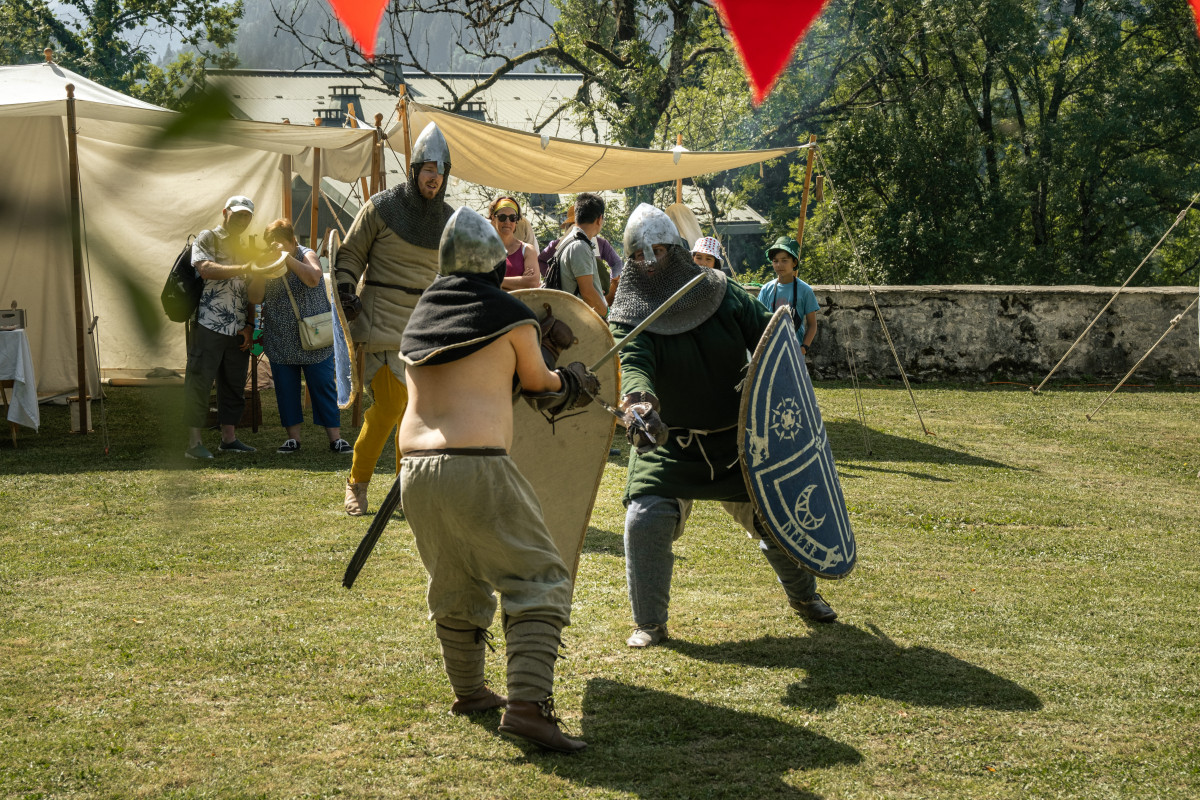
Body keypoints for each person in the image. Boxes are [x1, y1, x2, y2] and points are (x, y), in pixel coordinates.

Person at [397, 207, 599, 753]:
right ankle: (529, 708)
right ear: (494, 265)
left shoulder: (420, 318)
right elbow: (539, 385)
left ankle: (468, 691)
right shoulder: (510, 314)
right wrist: (573, 381)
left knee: (456, 581)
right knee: (539, 580)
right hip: (476, 464)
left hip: (413, 469)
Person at [607, 204, 837, 649]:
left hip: (738, 442)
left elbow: (770, 339)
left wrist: (776, 366)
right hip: (672, 445)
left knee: (778, 521)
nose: (650, 262)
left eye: (657, 249)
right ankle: (650, 624)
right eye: (639, 255)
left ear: (674, 249)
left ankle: (806, 597)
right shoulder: (630, 313)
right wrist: (638, 404)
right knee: (645, 518)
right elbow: (634, 365)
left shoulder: (720, 291)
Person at [333, 122, 455, 516]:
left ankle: (406, 492)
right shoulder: (382, 208)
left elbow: (460, 271)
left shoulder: (448, 222)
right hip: (378, 323)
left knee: (414, 416)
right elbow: (350, 254)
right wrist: (347, 288)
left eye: (439, 173)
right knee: (390, 406)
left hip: (422, 329)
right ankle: (358, 482)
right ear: (416, 169)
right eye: (428, 171)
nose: (433, 180)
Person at [249, 219, 351, 455]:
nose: (277, 247)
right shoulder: (267, 262)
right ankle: (293, 439)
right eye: (272, 243)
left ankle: (335, 439)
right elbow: (254, 297)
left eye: (281, 243)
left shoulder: (306, 254)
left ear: (292, 240)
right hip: (281, 337)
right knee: (286, 389)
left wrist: (286, 258)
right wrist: (262, 270)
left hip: (314, 336)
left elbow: (313, 278)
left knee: (323, 386)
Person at [183, 195, 259, 460]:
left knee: (234, 385)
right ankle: (194, 444)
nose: (243, 220)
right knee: (199, 382)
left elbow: (252, 290)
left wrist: (250, 325)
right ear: (225, 212)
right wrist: (244, 266)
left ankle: (229, 439)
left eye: (247, 216)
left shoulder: (249, 245)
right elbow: (205, 269)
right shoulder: (207, 237)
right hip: (207, 323)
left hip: (238, 327)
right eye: (238, 214)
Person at [539, 207, 623, 304]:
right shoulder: (557, 244)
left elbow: (616, 262)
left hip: (595, 295)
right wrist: (554, 276)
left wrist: (610, 283)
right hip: (566, 297)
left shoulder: (601, 243)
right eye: (571, 225)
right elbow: (541, 260)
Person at [754, 236, 820, 356]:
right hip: (769, 352)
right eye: (775, 261)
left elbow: (812, 324)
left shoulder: (805, 290)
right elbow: (758, 320)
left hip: (795, 353)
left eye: (784, 260)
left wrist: (803, 348)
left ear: (794, 262)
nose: (779, 265)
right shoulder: (766, 289)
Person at [552, 193, 609, 318]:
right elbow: (588, 293)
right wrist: (607, 314)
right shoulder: (579, 246)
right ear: (599, 219)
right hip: (579, 324)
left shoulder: (571, 240)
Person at [488, 196, 540, 291]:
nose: (507, 222)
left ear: (516, 221)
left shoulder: (527, 250)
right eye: (502, 217)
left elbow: (533, 282)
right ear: (493, 218)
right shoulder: (483, 249)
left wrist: (494, 280)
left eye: (512, 218)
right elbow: (477, 281)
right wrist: (520, 281)